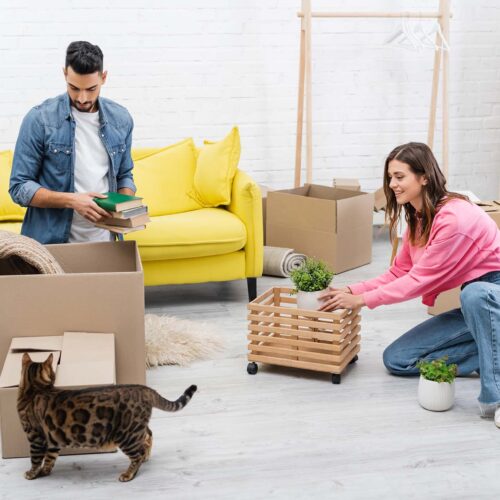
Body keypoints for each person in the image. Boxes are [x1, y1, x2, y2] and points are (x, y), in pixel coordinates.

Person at [319, 142, 500, 427]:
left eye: (400, 177)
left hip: (490, 294)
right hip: (477, 305)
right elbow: (400, 272)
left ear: (424, 177)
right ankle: (491, 351)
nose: (392, 184)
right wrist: (353, 290)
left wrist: (363, 302)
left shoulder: (453, 218)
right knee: (398, 359)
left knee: (475, 294)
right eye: (390, 177)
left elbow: (418, 280)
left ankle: (495, 398)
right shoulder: (417, 217)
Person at [9, 41, 136, 244]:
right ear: (65, 74)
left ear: (103, 78)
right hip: (52, 244)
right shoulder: (40, 119)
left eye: (91, 89)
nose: (82, 98)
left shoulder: (121, 119)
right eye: (74, 88)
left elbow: (124, 176)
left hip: (105, 241)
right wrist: (73, 201)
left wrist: (124, 206)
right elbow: (19, 187)